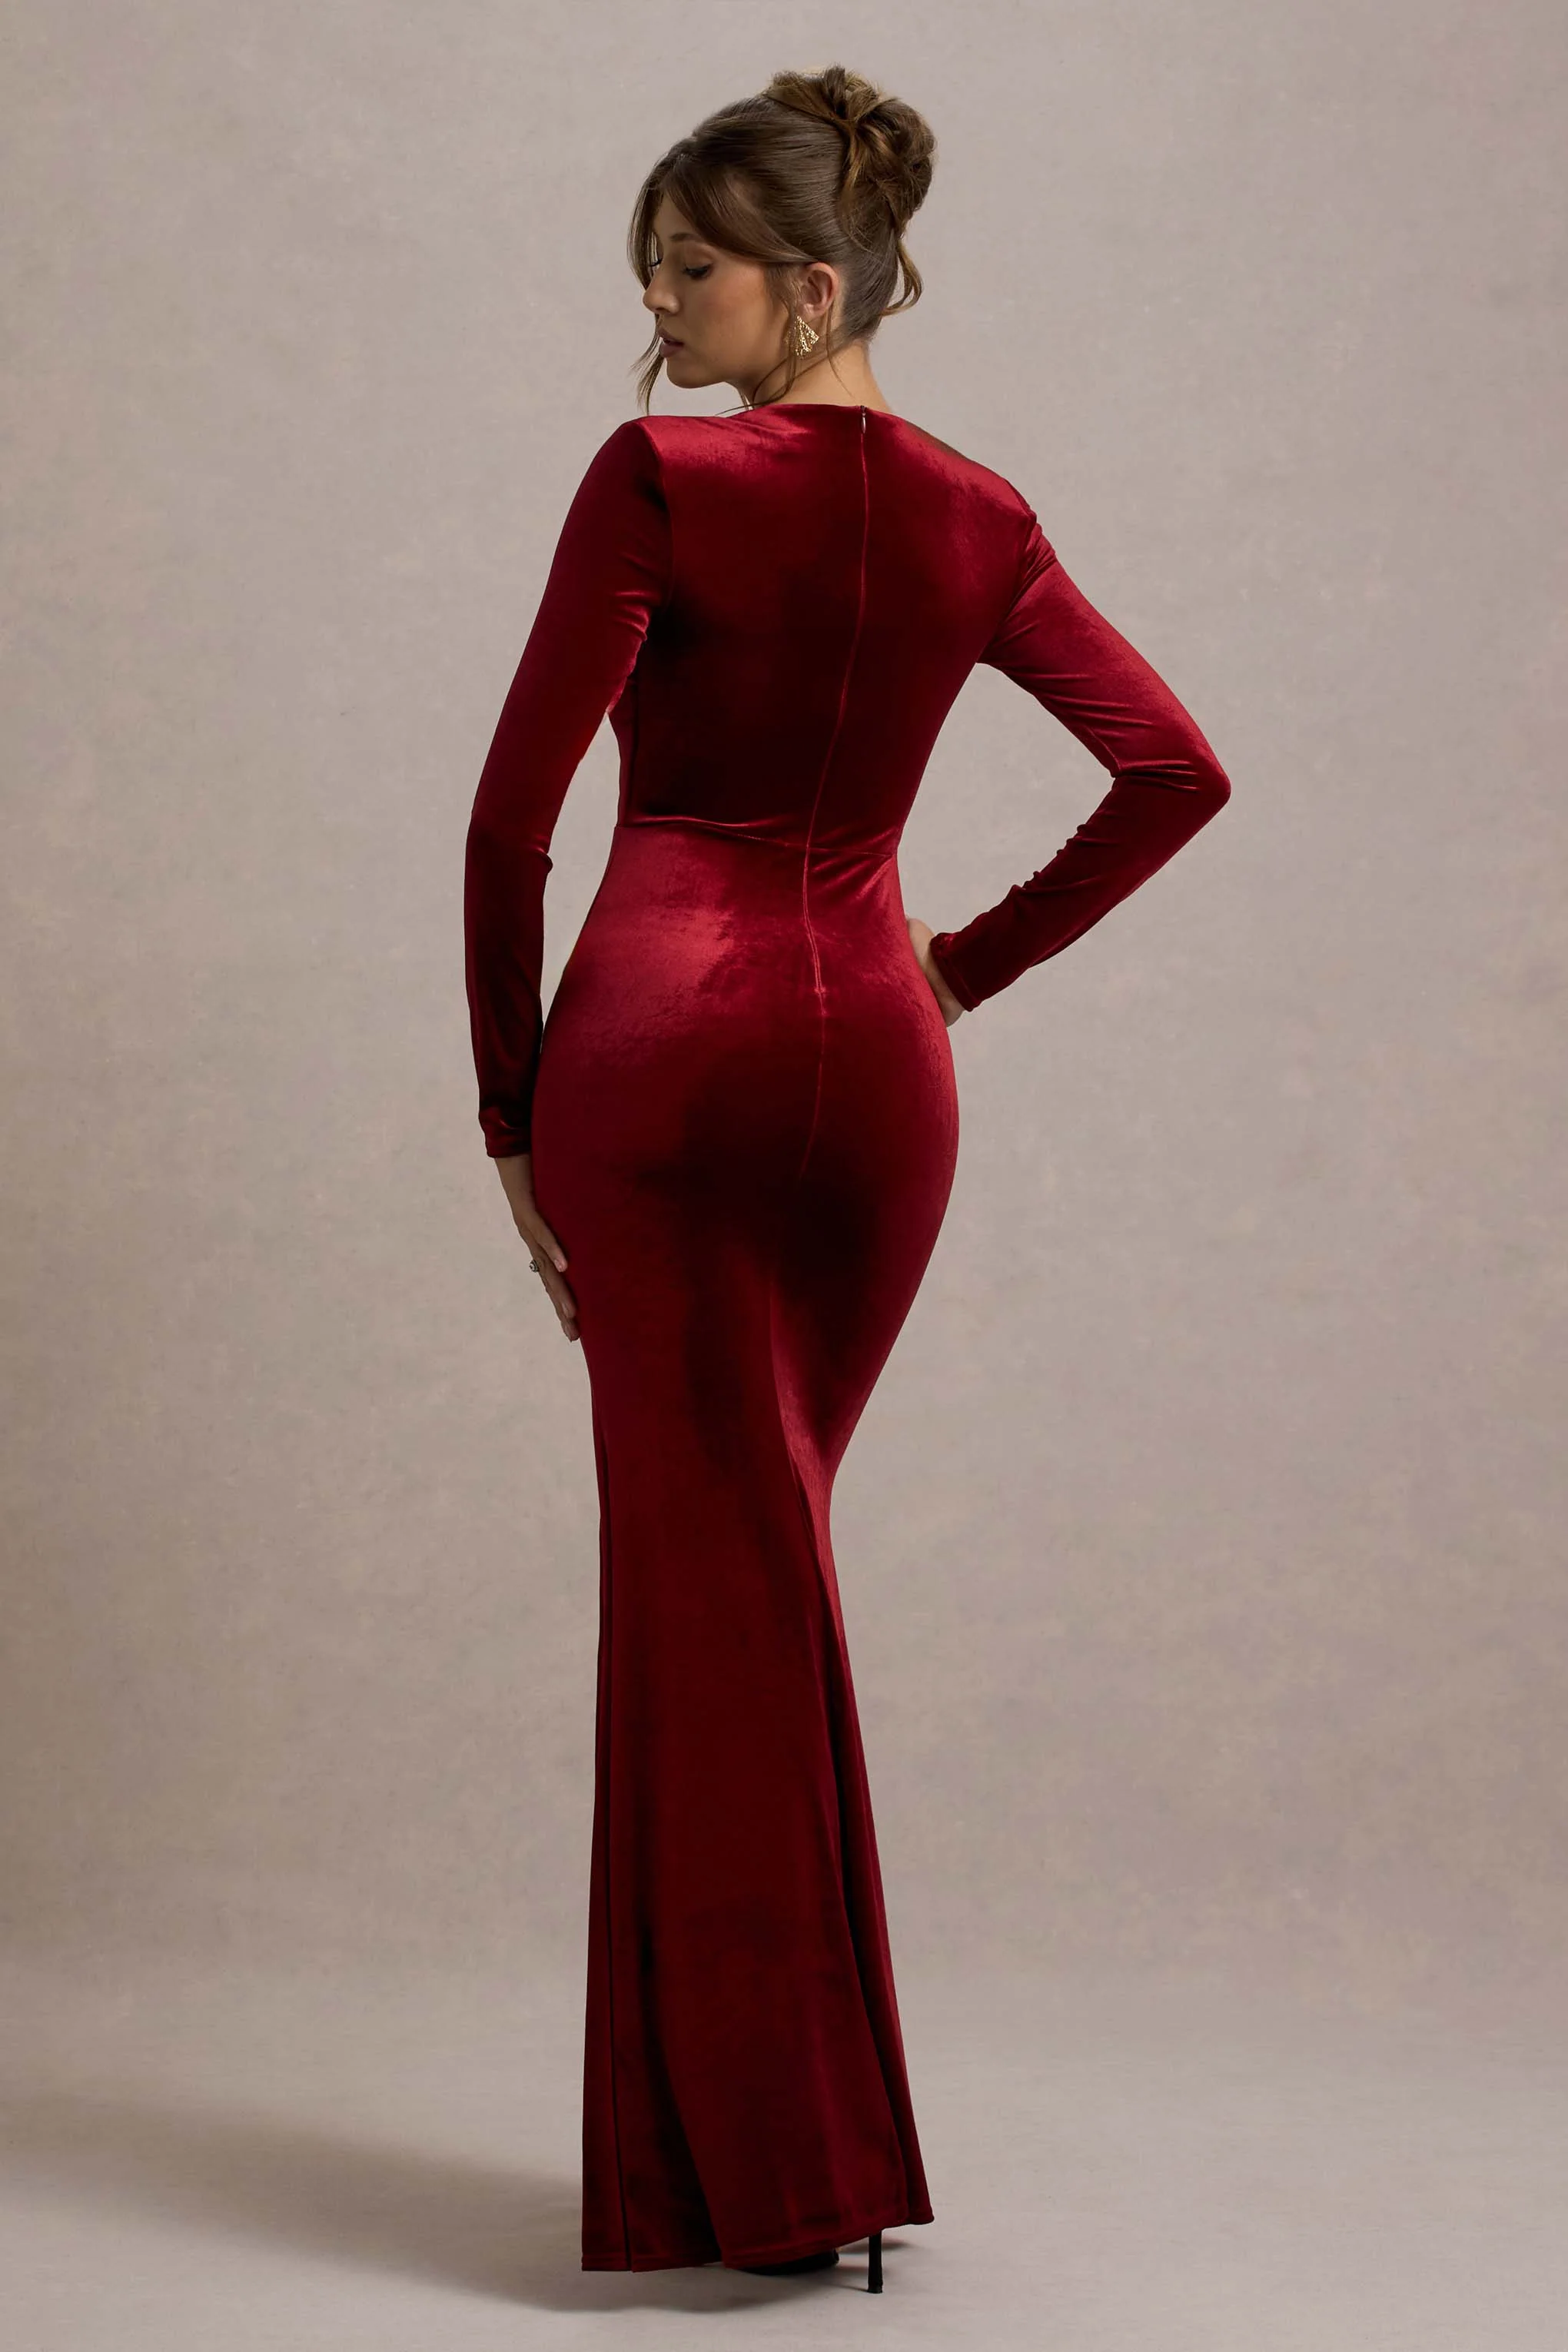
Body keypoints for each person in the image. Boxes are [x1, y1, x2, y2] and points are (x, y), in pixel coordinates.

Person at [463, 64, 1231, 2293]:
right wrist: (950, 969)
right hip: (874, 1081)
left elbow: (510, 823)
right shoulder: (982, 515)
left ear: (814, 287)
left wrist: (506, 1109)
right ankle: (766, 2156)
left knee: (713, 1582)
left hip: (656, 1062)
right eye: (654, 266)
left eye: (692, 269)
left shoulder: (660, 478)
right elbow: (1174, 771)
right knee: (759, 1558)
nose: (656, 303)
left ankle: (769, 2168)